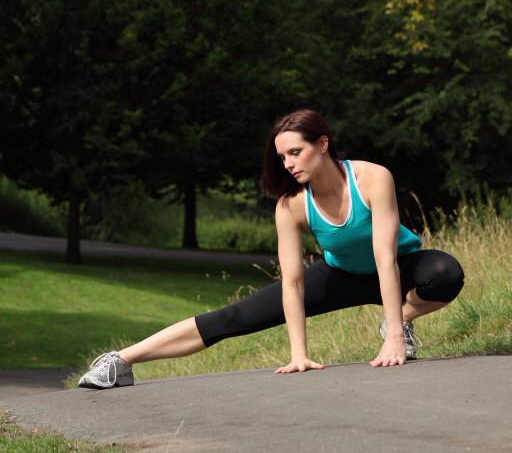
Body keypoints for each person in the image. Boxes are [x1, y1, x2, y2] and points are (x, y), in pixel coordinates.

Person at [78, 109, 465, 389]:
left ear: (322, 143)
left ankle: (396, 320)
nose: (288, 164)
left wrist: (394, 334)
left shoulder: (372, 178)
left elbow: (384, 257)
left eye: (295, 152)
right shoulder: (292, 204)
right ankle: (120, 360)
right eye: (282, 157)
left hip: (399, 266)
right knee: (233, 317)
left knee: (445, 273)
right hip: (341, 276)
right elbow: (293, 283)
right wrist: (299, 354)